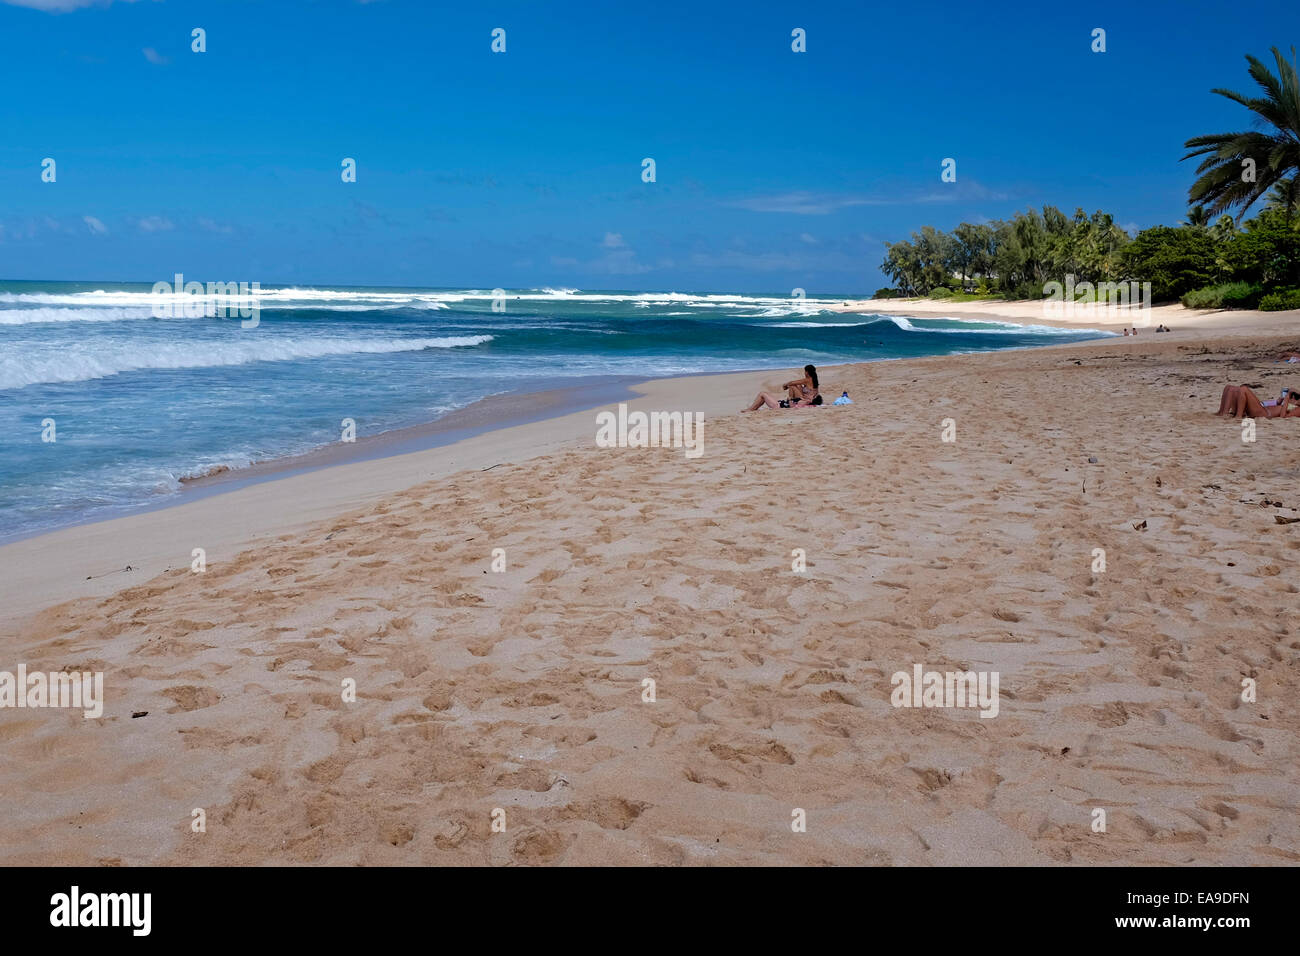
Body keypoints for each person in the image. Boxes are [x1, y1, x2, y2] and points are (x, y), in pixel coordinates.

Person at [744, 364, 823, 411]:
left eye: (805, 371)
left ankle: (750, 409)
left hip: (801, 400)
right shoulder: (814, 380)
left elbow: (792, 382)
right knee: (796, 386)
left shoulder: (808, 380)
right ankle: (752, 409)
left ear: (807, 372)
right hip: (803, 400)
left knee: (763, 394)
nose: (804, 373)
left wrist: (785, 385)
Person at [1215, 384, 1300, 418]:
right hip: (1263, 408)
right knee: (1230, 388)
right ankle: (1222, 412)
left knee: (1244, 389)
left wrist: (1287, 398)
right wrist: (1280, 401)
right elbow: (1278, 407)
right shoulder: (1291, 403)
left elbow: (1283, 417)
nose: (1294, 399)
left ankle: (1238, 416)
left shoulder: (1298, 410)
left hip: (1264, 413)